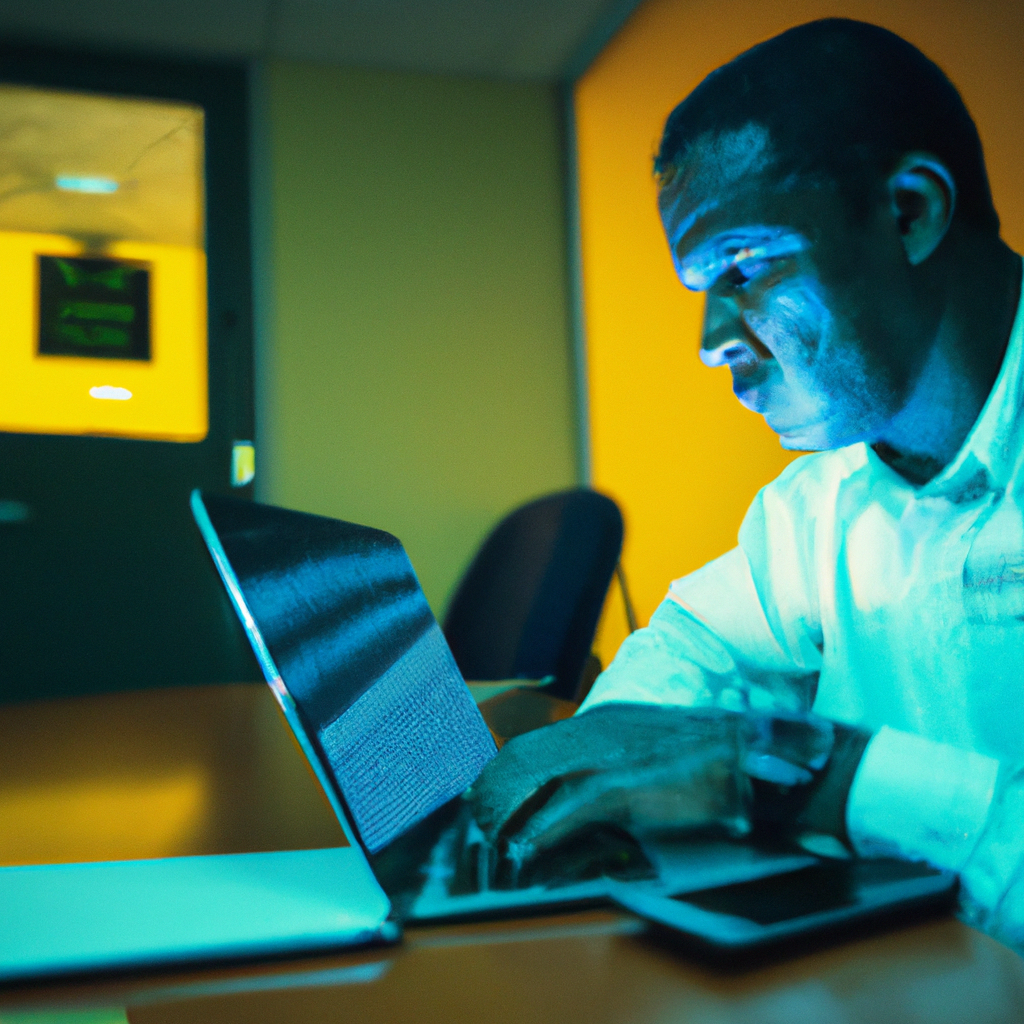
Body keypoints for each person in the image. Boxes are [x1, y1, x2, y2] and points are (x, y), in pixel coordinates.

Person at [468, 18, 1024, 951]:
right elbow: (688, 656)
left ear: (909, 212)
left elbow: (757, 763)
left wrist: (811, 775)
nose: (711, 342)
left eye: (743, 267)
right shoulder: (818, 505)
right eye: (702, 288)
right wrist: (594, 780)